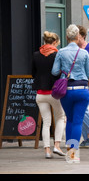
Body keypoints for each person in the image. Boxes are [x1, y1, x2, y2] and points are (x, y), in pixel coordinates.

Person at [51, 24, 89, 163]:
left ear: (67, 37)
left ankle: (70, 153)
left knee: (69, 120)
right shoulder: (84, 53)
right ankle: (73, 155)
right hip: (82, 90)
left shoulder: (61, 52)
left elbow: (54, 71)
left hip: (66, 91)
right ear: (77, 37)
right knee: (78, 122)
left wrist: (65, 70)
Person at [32, 31, 66, 159]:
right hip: (54, 93)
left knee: (46, 122)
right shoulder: (57, 55)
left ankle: (47, 150)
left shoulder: (35, 55)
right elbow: (58, 73)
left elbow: (32, 73)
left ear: (44, 42)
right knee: (60, 117)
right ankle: (57, 145)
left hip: (40, 93)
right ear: (55, 42)